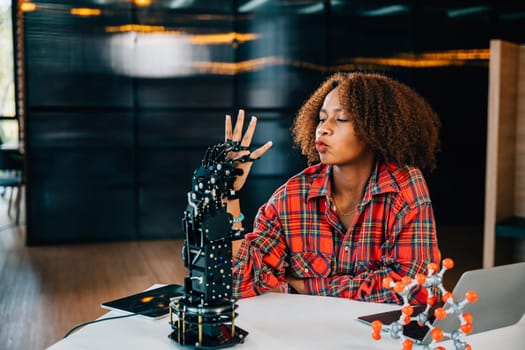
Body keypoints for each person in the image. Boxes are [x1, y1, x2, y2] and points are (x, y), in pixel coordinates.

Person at [223, 72, 441, 305]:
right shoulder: (292, 196)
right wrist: (229, 193)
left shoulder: (404, 189)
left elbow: (417, 289)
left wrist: (304, 287)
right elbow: (241, 282)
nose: (323, 129)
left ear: (375, 129)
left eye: (341, 119)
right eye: (321, 118)